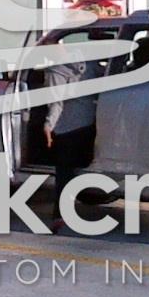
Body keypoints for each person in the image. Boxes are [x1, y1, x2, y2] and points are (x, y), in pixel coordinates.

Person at [40, 55, 99, 213]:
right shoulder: (90, 63)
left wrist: (48, 125)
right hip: (89, 123)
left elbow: (56, 103)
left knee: (63, 170)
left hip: (67, 127)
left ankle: (59, 213)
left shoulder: (56, 71)